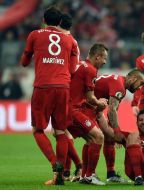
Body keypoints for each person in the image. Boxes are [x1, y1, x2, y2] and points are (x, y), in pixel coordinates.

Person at [20, 6, 79, 185]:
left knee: (38, 130)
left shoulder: (34, 35)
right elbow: (72, 69)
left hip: (43, 87)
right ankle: (59, 175)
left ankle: (55, 165)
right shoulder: (69, 39)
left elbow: (24, 62)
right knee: (61, 132)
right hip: (63, 87)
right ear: (60, 22)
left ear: (44, 20)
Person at [94, 69, 144, 182]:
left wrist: (115, 130)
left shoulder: (119, 82)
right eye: (140, 83)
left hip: (91, 106)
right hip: (81, 105)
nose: (139, 88)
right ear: (133, 79)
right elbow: (112, 110)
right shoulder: (119, 86)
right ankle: (85, 174)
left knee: (108, 137)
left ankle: (110, 174)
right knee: (94, 137)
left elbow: (112, 111)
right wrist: (117, 131)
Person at [67, 43, 108, 185]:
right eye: (104, 58)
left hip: (67, 108)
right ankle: (90, 176)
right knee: (99, 136)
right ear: (97, 56)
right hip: (73, 110)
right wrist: (100, 103)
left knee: (91, 140)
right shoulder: (90, 69)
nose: (105, 62)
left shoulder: (78, 64)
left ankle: (84, 175)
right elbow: (91, 97)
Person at [98, 109, 144, 185]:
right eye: (140, 120)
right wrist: (99, 112)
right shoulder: (129, 136)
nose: (143, 122)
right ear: (136, 123)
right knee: (134, 135)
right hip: (133, 171)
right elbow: (106, 129)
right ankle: (138, 177)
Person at [57, 12, 82, 182]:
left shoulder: (62, 41)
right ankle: (67, 169)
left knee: (60, 130)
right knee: (62, 130)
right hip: (68, 86)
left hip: (64, 86)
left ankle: (78, 165)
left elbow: (71, 69)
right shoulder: (72, 41)